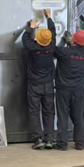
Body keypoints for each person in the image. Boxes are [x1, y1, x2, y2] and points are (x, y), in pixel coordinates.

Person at [22, 9, 56, 150]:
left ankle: (38, 139)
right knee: (49, 112)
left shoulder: (32, 47)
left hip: (34, 84)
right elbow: (53, 33)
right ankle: (49, 139)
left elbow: (25, 39)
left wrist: (31, 27)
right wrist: (49, 18)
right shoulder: (51, 46)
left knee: (34, 111)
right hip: (48, 84)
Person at [54, 29, 84, 150]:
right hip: (78, 89)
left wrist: (64, 41)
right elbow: (75, 53)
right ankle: (80, 143)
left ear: (73, 40)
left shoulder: (64, 52)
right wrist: (71, 42)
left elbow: (54, 50)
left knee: (63, 116)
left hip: (63, 89)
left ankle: (62, 144)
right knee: (78, 117)